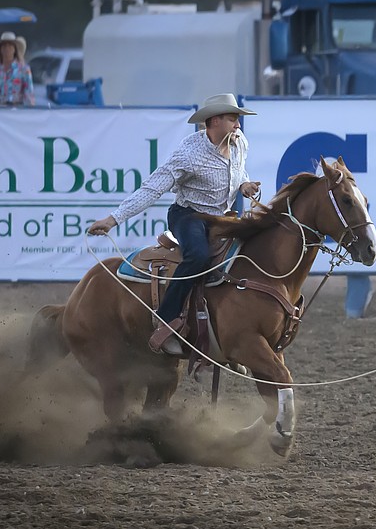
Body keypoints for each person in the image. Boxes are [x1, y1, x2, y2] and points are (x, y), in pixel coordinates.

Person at [87, 93, 262, 355]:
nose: (238, 125)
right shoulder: (188, 154)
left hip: (222, 216)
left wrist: (244, 184)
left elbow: (239, 171)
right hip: (188, 215)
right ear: (214, 121)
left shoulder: (240, 143)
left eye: (237, 119)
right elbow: (151, 189)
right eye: (232, 118)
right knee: (198, 255)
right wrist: (114, 219)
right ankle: (165, 321)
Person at [0, 31, 35, 106]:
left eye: (10, 45)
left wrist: (29, 111)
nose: (7, 48)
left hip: (17, 110)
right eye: (4, 45)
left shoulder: (24, 69)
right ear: (0, 49)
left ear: (15, 49)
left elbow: (29, 93)